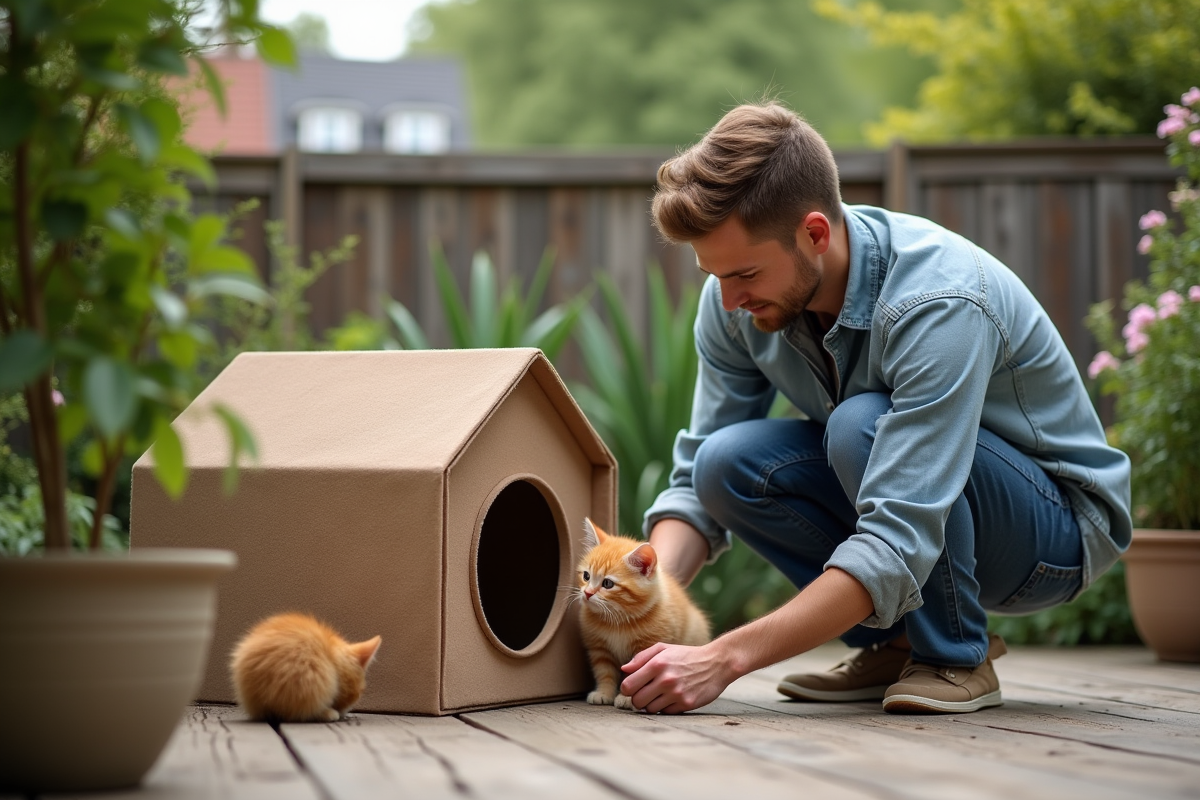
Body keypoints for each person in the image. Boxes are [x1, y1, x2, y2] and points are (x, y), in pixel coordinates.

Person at [618, 101, 1132, 715]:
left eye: (745, 273)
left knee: (861, 424)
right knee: (724, 463)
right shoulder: (735, 300)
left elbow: (899, 530)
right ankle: (893, 643)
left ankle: (953, 656)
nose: (729, 300)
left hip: (1053, 534)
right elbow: (697, 482)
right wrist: (643, 600)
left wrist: (723, 658)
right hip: (920, 497)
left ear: (814, 233)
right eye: (716, 275)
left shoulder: (936, 301)